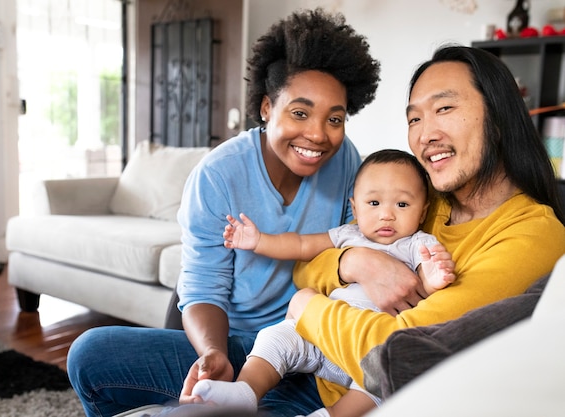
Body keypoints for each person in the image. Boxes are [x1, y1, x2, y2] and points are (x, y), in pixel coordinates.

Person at [66, 8, 381, 417]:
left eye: (334, 119)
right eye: (300, 113)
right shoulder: (218, 175)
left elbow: (348, 250)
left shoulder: (348, 164)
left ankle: (251, 404)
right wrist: (214, 354)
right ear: (267, 107)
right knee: (91, 353)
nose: (319, 134)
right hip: (238, 344)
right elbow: (201, 288)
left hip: (312, 346)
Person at [283, 45, 565, 414]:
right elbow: (308, 265)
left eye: (444, 108)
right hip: (304, 362)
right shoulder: (423, 198)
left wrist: (305, 306)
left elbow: (394, 355)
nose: (424, 134)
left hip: (352, 398)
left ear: (498, 118)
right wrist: (357, 263)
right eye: (414, 119)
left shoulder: (531, 234)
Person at [189, 149, 456, 417]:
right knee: (276, 337)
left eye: (402, 205)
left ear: (423, 212)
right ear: (355, 207)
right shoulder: (348, 234)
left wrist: (435, 277)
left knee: (384, 381)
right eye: (374, 203)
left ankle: (331, 414)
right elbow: (302, 245)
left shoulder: (418, 243)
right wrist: (259, 241)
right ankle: (245, 391)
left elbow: (425, 285)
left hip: (365, 354)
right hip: (320, 338)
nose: (386, 215)